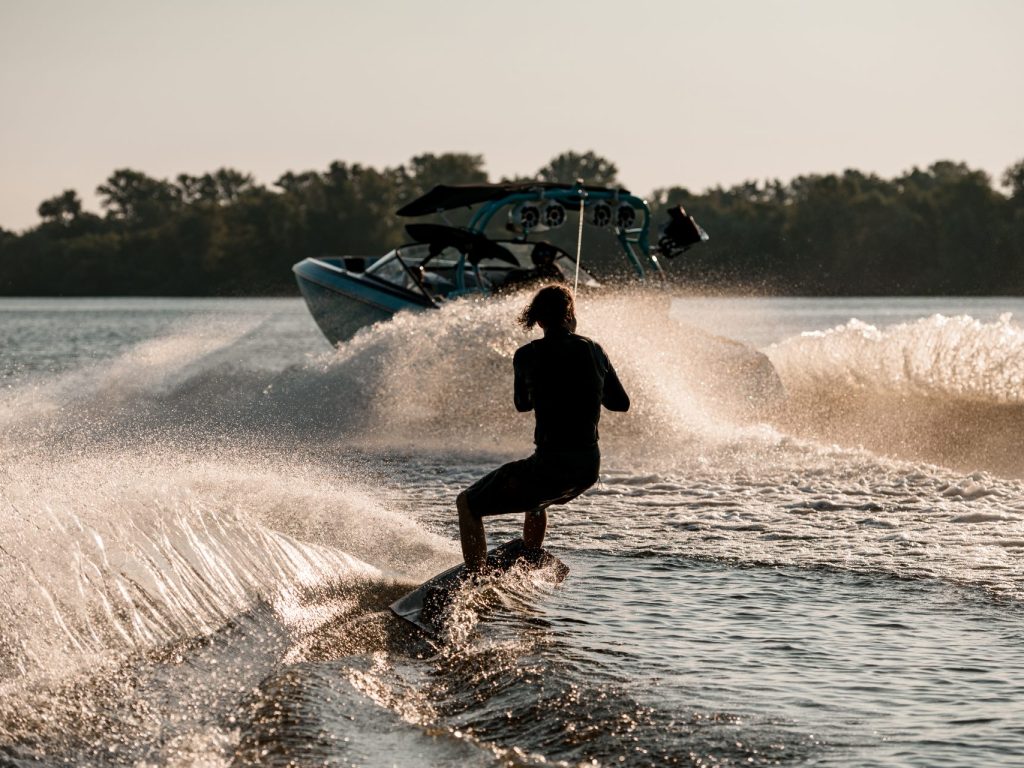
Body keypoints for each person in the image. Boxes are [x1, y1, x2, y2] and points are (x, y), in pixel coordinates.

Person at [456, 285, 630, 571]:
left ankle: (476, 580)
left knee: (467, 503)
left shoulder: (527, 354)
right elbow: (620, 403)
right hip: (587, 468)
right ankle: (530, 556)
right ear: (570, 316)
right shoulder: (594, 349)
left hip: (551, 466)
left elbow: (522, 404)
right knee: (536, 498)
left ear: (538, 320)